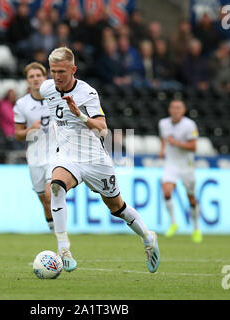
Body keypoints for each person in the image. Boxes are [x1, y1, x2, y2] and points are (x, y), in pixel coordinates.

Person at [39, 47, 160, 273]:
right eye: (53, 71)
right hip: (67, 156)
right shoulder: (47, 88)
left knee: (117, 207)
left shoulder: (88, 93)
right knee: (55, 187)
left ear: (73, 69)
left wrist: (80, 115)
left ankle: (148, 237)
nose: (56, 76)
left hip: (94, 158)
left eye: (61, 72)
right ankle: (64, 249)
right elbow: (37, 99)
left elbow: (102, 128)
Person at [14, 62, 55, 233]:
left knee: (50, 194)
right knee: (44, 201)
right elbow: (17, 134)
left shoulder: (56, 98)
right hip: (35, 156)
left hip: (55, 154)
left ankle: (62, 239)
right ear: (27, 81)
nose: (36, 79)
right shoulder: (21, 104)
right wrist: (30, 129)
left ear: (45, 78)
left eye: (39, 75)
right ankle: (56, 234)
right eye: (32, 76)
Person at [158, 99, 201, 243]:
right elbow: (164, 139)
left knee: (191, 198)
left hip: (186, 166)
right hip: (171, 164)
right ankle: (173, 223)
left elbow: (193, 147)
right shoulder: (163, 123)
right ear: (169, 110)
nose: (175, 110)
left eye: (178, 108)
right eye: (172, 107)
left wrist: (176, 143)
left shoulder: (189, 125)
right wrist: (162, 150)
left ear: (183, 110)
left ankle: (196, 228)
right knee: (167, 191)